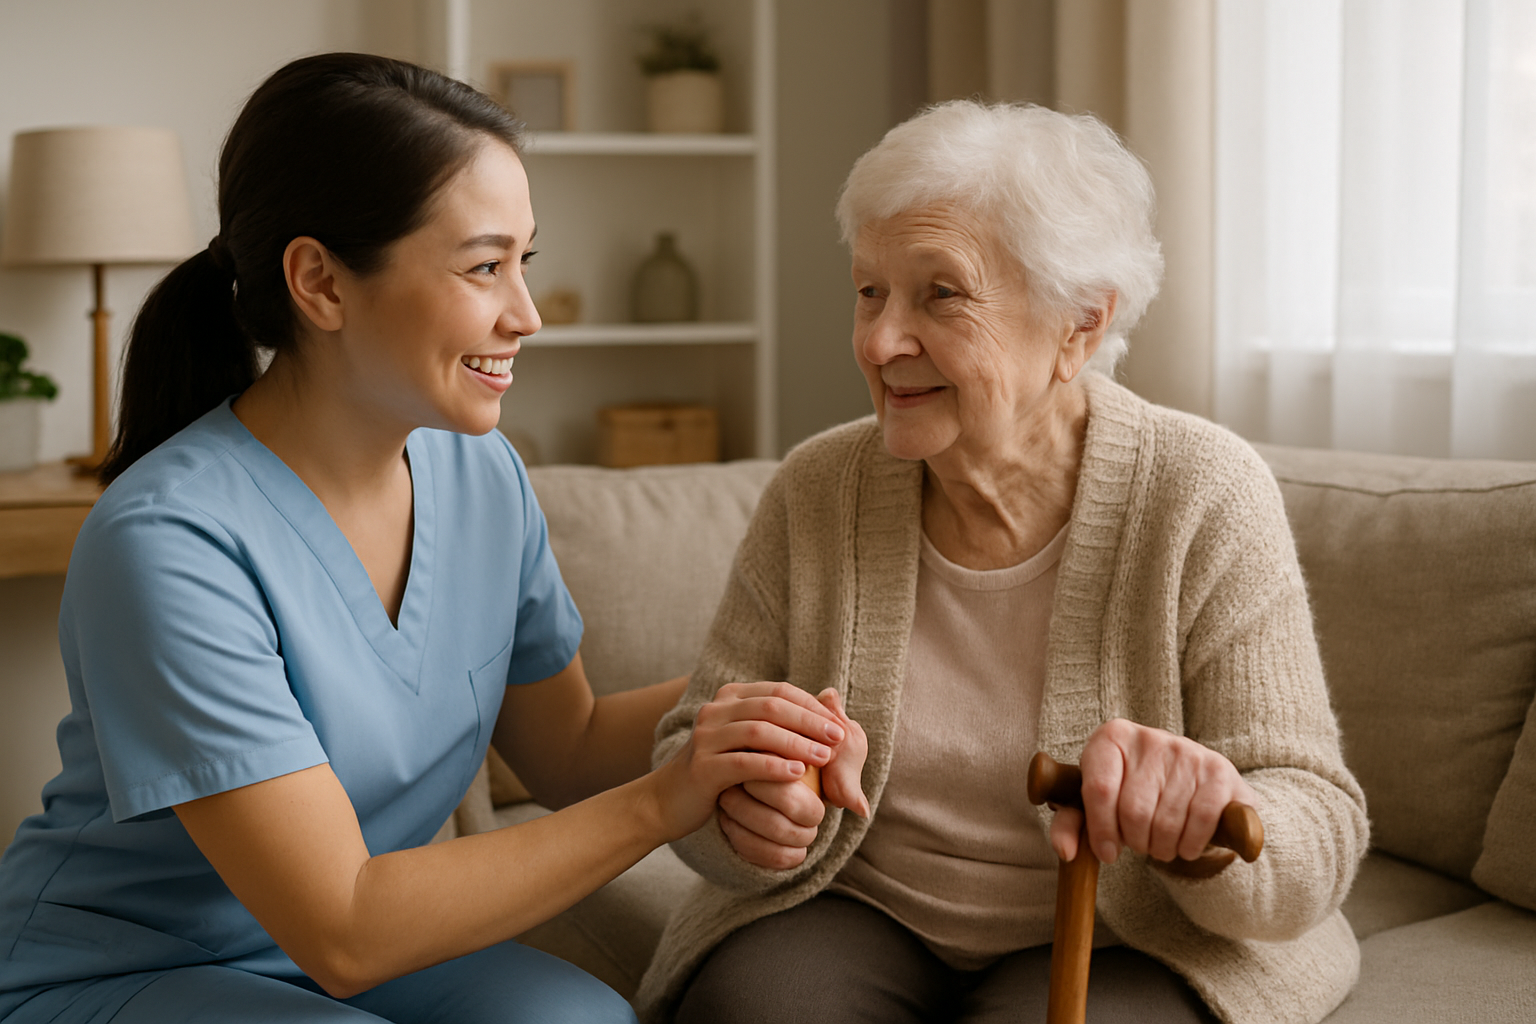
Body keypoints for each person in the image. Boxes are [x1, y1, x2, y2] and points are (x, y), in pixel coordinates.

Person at [0, 53, 864, 1024]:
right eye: (484, 266)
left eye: (524, 262)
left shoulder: (481, 475)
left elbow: (569, 748)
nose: (526, 315)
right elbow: (345, 927)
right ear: (320, 283)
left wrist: (770, 696)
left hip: (358, 954)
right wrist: (667, 799)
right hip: (125, 967)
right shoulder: (168, 543)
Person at [637, 101, 1370, 1024]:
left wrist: (1211, 834)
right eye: (870, 291)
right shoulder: (819, 488)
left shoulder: (1202, 493)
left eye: (939, 294)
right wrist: (748, 810)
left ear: (1079, 325)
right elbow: (692, 746)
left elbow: (1315, 817)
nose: (877, 341)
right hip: (855, 906)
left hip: (1126, 934)